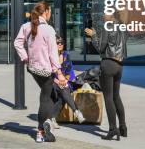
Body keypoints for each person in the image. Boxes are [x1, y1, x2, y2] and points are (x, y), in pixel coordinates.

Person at [14, 1, 65, 143]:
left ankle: (47, 122)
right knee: (45, 99)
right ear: (46, 12)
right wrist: (59, 72)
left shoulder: (26, 26)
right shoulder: (49, 30)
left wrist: (25, 58)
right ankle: (41, 130)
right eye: (49, 12)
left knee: (47, 96)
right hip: (45, 71)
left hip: (32, 68)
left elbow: (17, 43)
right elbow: (53, 53)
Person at [85, 12, 128, 140]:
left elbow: (100, 47)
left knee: (108, 98)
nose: (103, 14)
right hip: (119, 65)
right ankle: (123, 127)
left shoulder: (107, 26)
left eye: (106, 12)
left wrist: (93, 35)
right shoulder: (122, 27)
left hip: (108, 64)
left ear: (112, 15)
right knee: (116, 96)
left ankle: (113, 129)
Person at [50, 35, 85, 128]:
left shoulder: (66, 55)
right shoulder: (50, 57)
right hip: (53, 82)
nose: (60, 44)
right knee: (64, 90)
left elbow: (69, 70)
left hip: (65, 82)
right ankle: (76, 111)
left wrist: (65, 80)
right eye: (58, 43)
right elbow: (49, 74)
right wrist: (59, 82)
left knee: (63, 95)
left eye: (62, 42)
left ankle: (52, 119)